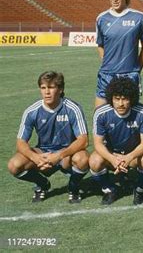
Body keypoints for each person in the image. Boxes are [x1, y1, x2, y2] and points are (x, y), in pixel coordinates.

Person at [7, 71, 89, 203]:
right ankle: (42, 183)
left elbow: (83, 140)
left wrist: (59, 155)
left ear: (61, 89)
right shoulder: (32, 111)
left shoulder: (72, 108)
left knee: (83, 159)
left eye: (51, 87)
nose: (47, 92)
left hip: (66, 153)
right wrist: (37, 158)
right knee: (14, 165)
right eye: (43, 88)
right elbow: (21, 142)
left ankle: (73, 187)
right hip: (43, 151)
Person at [89, 77, 143, 205]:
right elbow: (98, 143)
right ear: (111, 98)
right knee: (94, 160)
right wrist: (113, 159)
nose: (121, 103)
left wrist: (128, 157)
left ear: (132, 98)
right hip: (111, 155)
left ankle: (140, 190)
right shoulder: (101, 113)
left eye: (125, 99)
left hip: (133, 155)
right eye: (117, 99)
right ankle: (109, 189)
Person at [95, 0, 143, 107]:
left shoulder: (139, 17)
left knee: (130, 119)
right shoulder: (101, 18)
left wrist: (137, 69)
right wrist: (107, 64)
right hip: (106, 75)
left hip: (130, 75)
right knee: (100, 115)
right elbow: (100, 45)